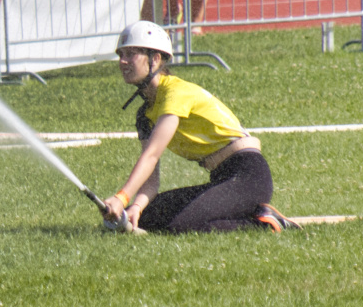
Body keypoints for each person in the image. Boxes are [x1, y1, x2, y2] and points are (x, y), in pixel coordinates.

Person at [100, 21, 295, 234]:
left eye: (131, 54)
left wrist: (121, 197)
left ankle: (264, 224)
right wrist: (135, 206)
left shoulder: (175, 93)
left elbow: (152, 155)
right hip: (221, 178)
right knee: (147, 217)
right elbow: (151, 179)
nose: (123, 61)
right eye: (121, 54)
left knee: (178, 226)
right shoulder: (144, 115)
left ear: (155, 59)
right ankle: (248, 214)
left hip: (248, 176)